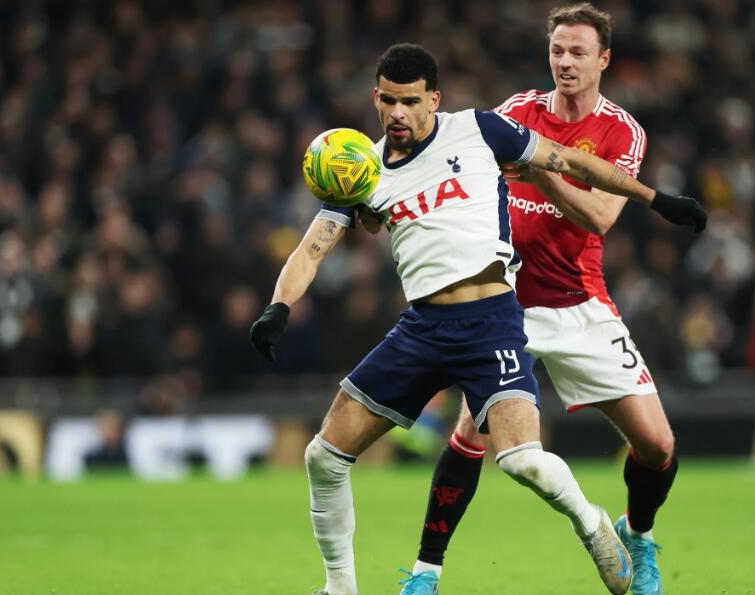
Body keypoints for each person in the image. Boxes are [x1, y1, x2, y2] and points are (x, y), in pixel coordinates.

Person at [250, 43, 704, 595]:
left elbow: (572, 161)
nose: (397, 114)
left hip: (491, 322)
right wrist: (279, 307)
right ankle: (340, 588)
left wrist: (655, 199)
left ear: (433, 99)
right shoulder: (360, 169)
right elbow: (311, 249)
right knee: (323, 455)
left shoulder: (481, 130)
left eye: (410, 102)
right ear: (375, 97)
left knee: (521, 461)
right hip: (420, 330)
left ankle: (592, 523)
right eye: (388, 101)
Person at [400, 5, 705, 595]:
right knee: (470, 432)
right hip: (503, 304)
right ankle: (424, 574)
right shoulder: (519, 111)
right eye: (558, 51)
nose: (565, 62)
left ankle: (636, 534)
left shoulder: (622, 131)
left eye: (578, 53)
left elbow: (599, 215)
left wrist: (536, 165)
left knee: (658, 444)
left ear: (604, 60)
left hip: (579, 303)